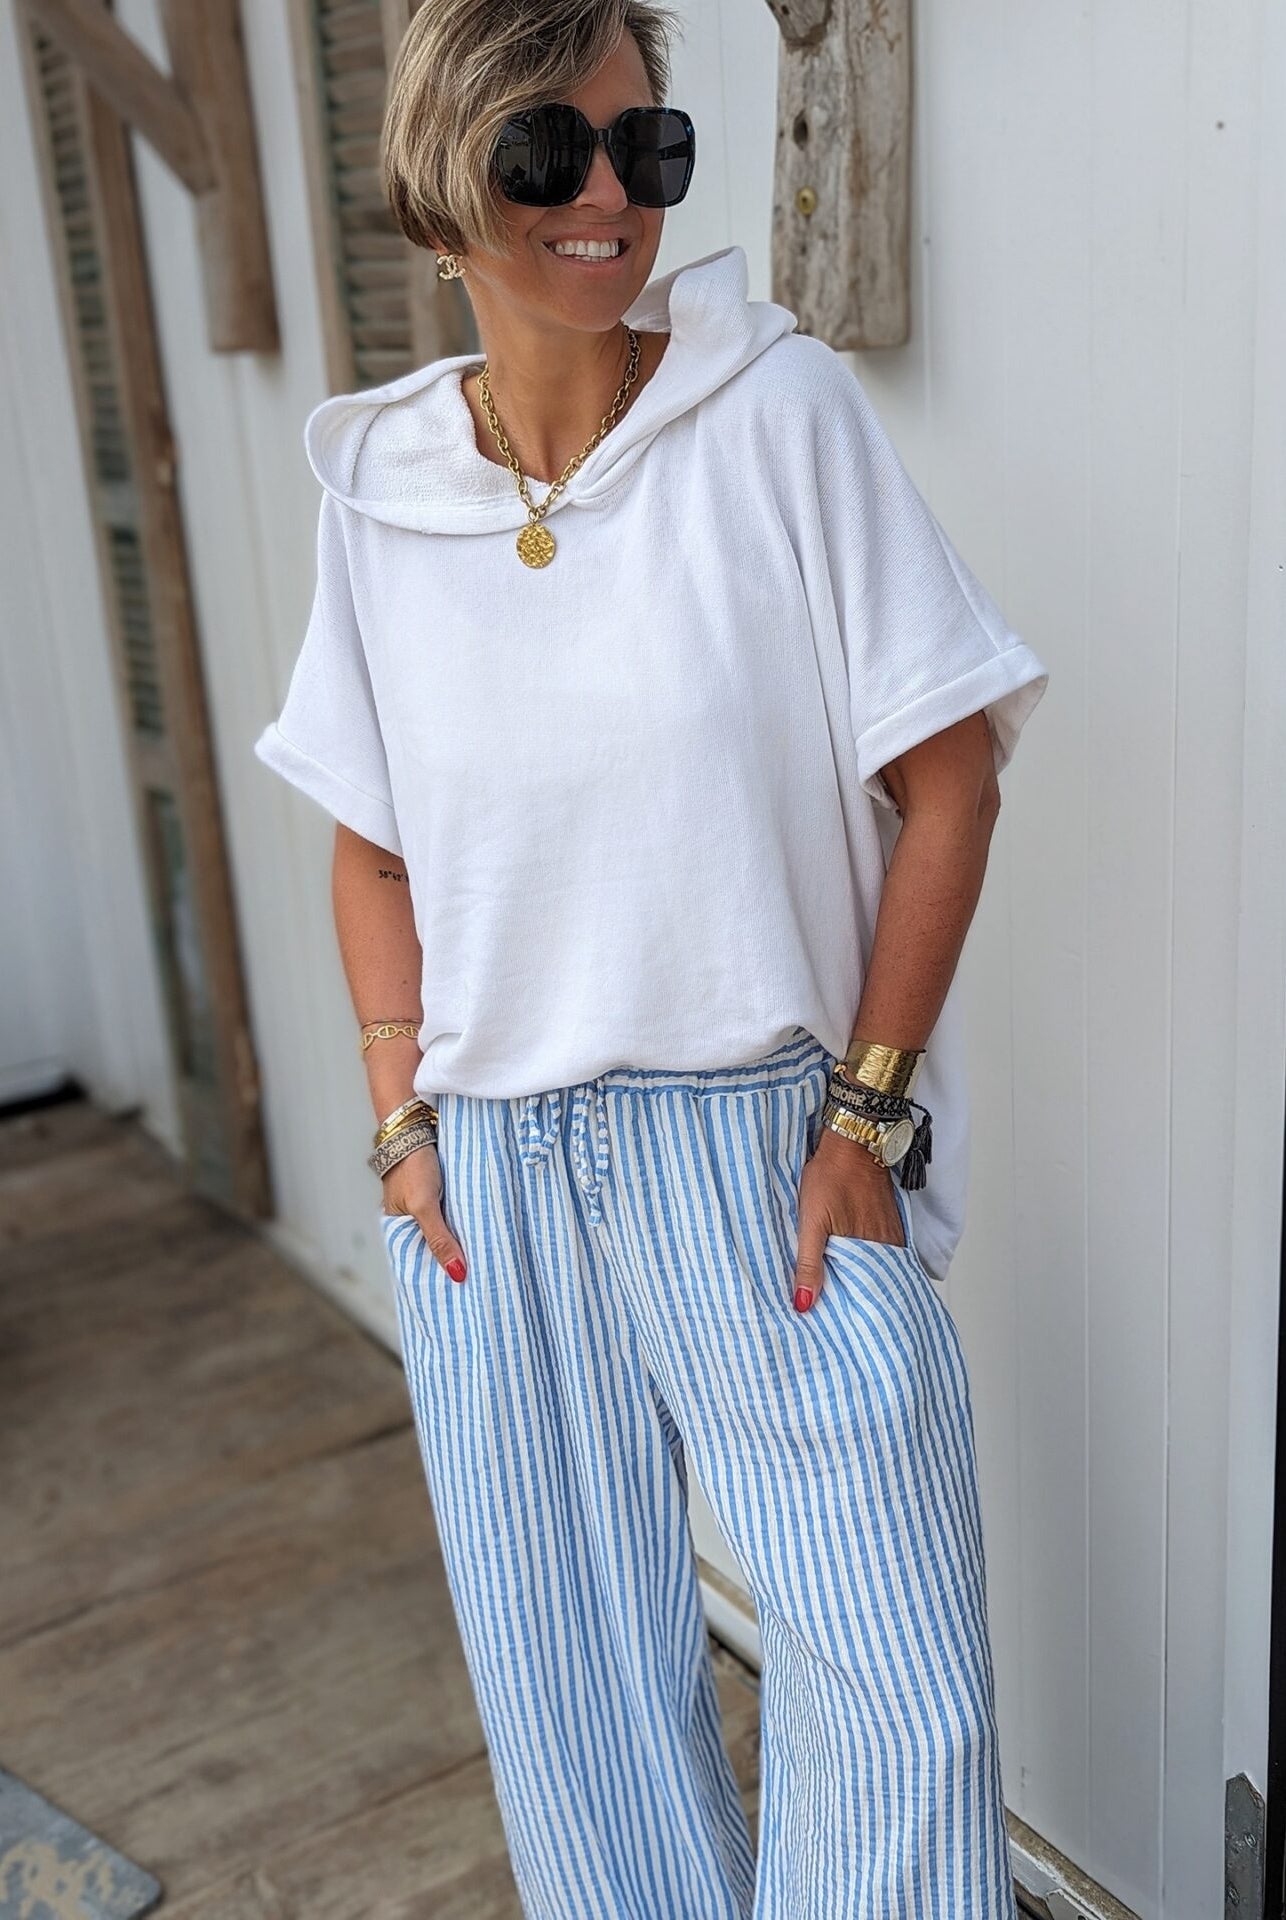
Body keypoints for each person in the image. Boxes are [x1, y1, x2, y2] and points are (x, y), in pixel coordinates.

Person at [253, 3, 1049, 1914]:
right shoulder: (382, 486)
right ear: (444, 185)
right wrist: (398, 1120)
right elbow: (372, 845)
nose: (608, 193)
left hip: (761, 1148)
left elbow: (950, 781)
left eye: (647, 145)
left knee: (900, 1691)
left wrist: (861, 1118)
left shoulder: (774, 417)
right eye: (550, 149)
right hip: (491, 1177)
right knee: (576, 1712)